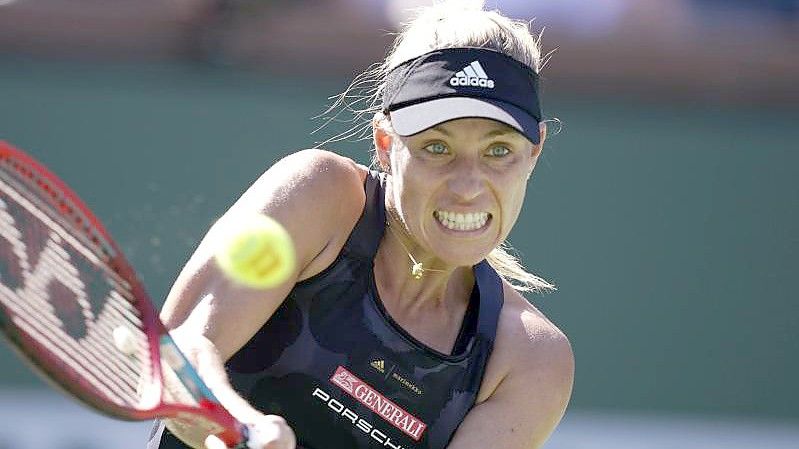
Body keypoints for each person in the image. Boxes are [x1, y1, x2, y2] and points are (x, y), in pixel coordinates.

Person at [148, 1, 573, 448]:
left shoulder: (531, 361)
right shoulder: (318, 194)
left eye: (498, 151)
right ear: (386, 143)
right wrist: (242, 427)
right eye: (436, 147)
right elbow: (180, 351)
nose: (467, 187)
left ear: (534, 152)